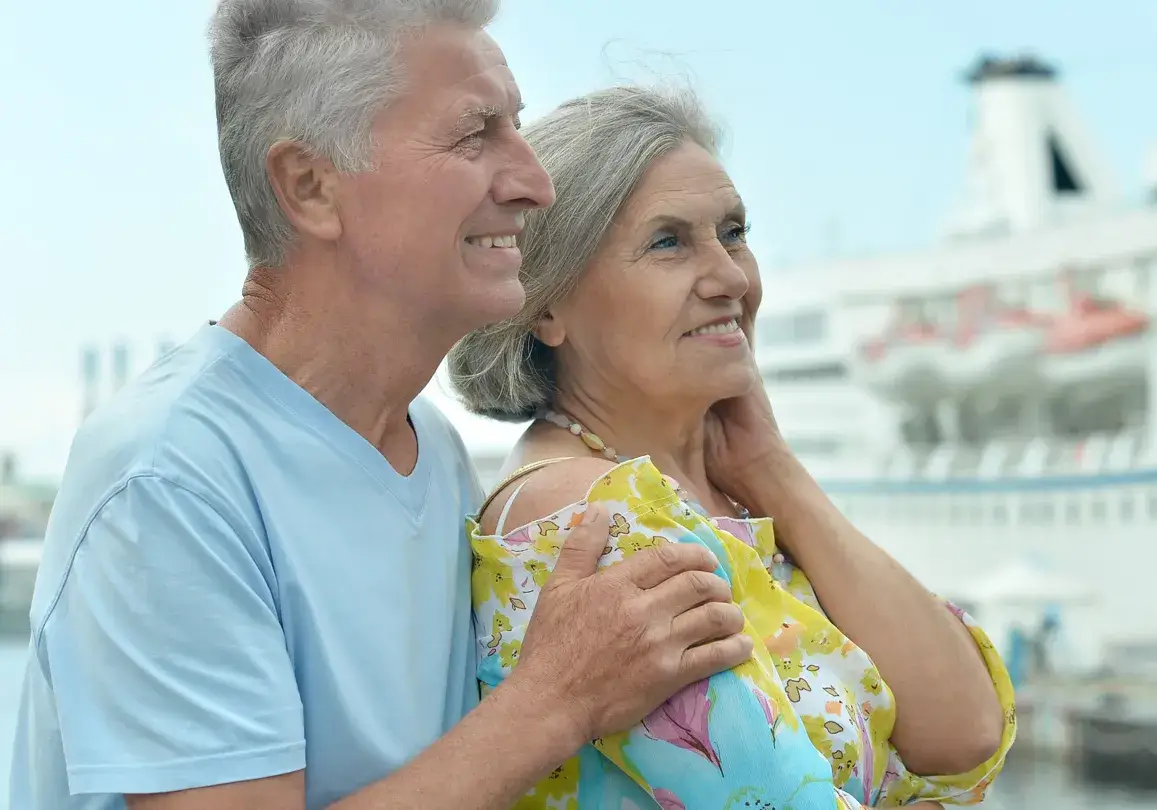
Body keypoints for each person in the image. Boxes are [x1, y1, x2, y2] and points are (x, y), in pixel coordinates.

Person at [8, 2, 753, 808]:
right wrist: (558, 700)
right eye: (476, 135)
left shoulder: (430, 450)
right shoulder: (165, 480)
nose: (534, 182)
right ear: (309, 186)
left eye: (518, 127)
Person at [444, 85, 1019, 809]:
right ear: (547, 304)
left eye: (734, 233)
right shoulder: (586, 518)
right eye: (669, 242)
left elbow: (966, 736)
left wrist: (776, 473)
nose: (730, 279)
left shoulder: (724, 493)